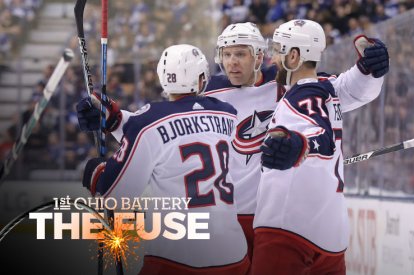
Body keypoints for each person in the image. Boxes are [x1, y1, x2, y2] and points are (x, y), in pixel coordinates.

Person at [77, 22, 389, 261]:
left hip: (274, 218)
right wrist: (114, 120)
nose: (232, 62)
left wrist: (369, 71)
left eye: (240, 53)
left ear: (259, 56)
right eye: (226, 54)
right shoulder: (205, 90)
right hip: (224, 220)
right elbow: (160, 129)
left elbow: (343, 90)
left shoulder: (286, 83)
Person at [81, 44, 249, 275]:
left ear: (163, 76)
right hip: (233, 255)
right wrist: (117, 121)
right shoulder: (227, 113)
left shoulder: (147, 122)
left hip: (177, 258)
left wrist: (96, 172)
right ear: (201, 79)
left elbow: (115, 193)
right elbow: (178, 132)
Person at [252, 19, 389, 274]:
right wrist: (369, 68)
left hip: (288, 229)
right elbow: (353, 88)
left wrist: (299, 145)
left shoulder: (300, 96)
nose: (273, 58)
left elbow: (320, 137)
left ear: (293, 56)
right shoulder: (325, 88)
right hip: (330, 236)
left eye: (278, 50)